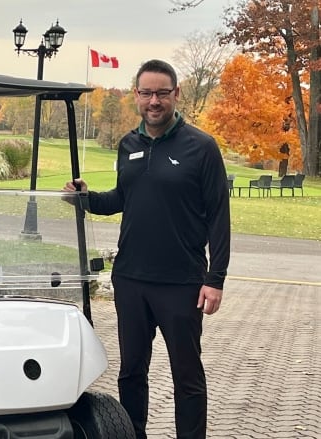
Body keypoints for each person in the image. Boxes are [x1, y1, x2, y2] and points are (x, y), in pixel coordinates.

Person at [64, 59, 230, 439]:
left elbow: (220, 217)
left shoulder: (202, 147)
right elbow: (124, 197)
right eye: (146, 93)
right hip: (131, 279)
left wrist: (214, 279)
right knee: (131, 372)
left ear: (176, 94)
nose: (154, 101)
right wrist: (86, 198)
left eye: (161, 93)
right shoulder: (128, 144)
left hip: (181, 283)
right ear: (136, 95)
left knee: (187, 376)